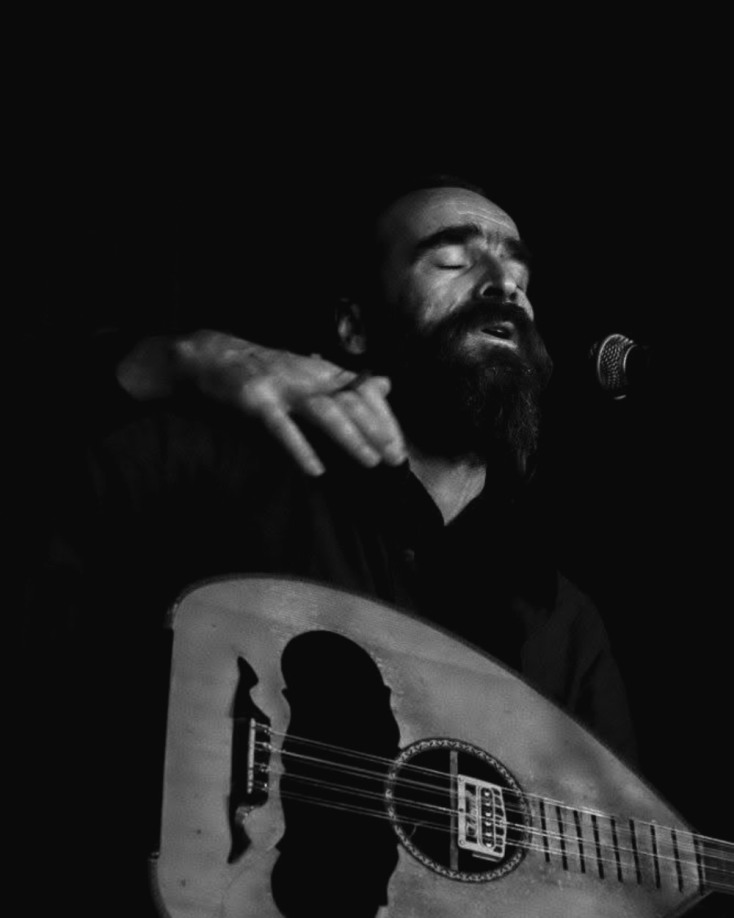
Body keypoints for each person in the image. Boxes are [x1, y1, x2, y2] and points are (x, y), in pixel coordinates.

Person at [22, 174, 637, 916]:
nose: (504, 284)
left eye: (521, 275)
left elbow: (610, 881)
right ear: (353, 327)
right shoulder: (214, 472)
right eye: (453, 259)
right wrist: (178, 358)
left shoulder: (561, 623)